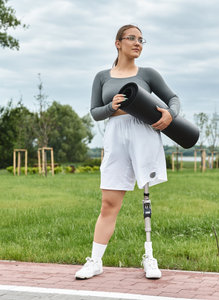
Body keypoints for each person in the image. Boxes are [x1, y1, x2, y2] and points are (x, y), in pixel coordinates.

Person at [74, 24, 180, 280]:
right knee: (109, 202)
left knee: (146, 196)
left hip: (143, 133)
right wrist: (110, 106)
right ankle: (95, 261)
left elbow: (173, 99)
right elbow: (95, 112)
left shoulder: (148, 73)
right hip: (116, 136)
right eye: (131, 38)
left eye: (141, 40)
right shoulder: (102, 76)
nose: (137, 43)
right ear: (117, 43)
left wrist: (170, 115)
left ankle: (149, 257)